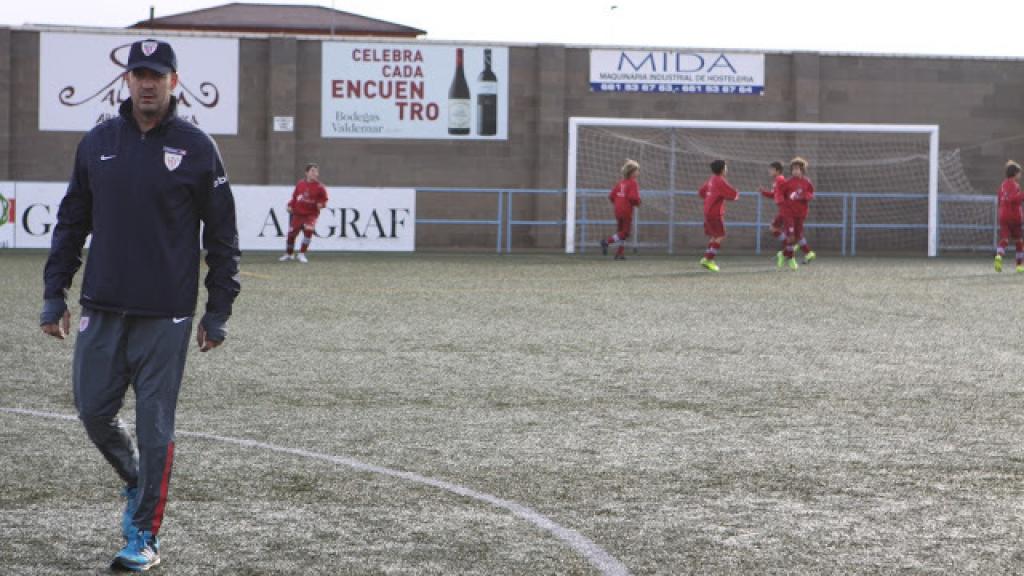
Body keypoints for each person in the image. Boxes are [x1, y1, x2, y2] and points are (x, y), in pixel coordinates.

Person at [39, 39, 240, 572]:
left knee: (155, 429)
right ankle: (136, 478)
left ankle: (143, 533)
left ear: (174, 80)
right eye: (139, 74)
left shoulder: (197, 147)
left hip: (166, 315)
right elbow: (71, 221)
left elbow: (222, 235)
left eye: (158, 74)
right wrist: (53, 292)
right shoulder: (98, 142)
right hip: (101, 307)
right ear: (126, 81)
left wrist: (217, 309)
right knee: (92, 410)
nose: (147, 83)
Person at [280, 163, 328, 263]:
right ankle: (289, 254)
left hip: (311, 214)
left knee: (309, 229)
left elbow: (324, 200)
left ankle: (302, 254)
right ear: (307, 173)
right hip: (298, 214)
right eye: (312, 171)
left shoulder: (320, 187)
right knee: (291, 235)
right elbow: (294, 197)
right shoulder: (300, 184)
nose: (315, 173)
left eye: (316, 171)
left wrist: (321, 204)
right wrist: (290, 205)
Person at [698, 159, 740, 272]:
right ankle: (708, 259)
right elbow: (732, 193)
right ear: (722, 169)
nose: (726, 169)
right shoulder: (720, 180)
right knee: (721, 235)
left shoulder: (711, 180)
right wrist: (736, 195)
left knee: (715, 236)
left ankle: (706, 258)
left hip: (708, 212)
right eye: (725, 167)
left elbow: (701, 192)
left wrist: (709, 198)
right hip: (715, 213)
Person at [600, 159, 641, 260]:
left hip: (618, 210)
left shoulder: (620, 183)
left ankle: (620, 253)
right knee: (625, 232)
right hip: (626, 210)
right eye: (637, 170)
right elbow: (633, 198)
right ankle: (607, 242)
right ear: (632, 172)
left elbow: (611, 196)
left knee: (620, 231)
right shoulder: (633, 183)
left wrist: (618, 203)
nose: (638, 172)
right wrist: (638, 202)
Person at [780, 157, 816, 270]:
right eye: (793, 169)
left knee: (798, 236)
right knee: (790, 236)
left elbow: (811, 194)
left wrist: (804, 196)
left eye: (797, 169)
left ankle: (783, 254)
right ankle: (792, 259)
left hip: (801, 214)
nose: (795, 171)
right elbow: (780, 194)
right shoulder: (788, 183)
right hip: (789, 213)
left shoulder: (807, 183)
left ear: (802, 170)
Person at [995, 160, 1024, 272]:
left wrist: (1001, 210)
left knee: (1005, 239)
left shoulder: (1002, 185)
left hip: (1003, 216)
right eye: (1019, 173)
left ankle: (999, 255)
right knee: (1019, 241)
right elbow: (1014, 199)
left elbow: (999, 199)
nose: (1020, 175)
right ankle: (1019, 266)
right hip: (1014, 216)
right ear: (1015, 174)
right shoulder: (1015, 185)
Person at [759, 161, 788, 269]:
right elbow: (774, 194)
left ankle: (788, 248)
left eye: (771, 169)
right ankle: (787, 250)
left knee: (773, 228)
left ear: (777, 170)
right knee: (777, 230)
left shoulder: (780, 179)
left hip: (785, 210)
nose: (769, 171)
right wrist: (763, 192)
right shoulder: (777, 181)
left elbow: (785, 191)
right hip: (783, 209)